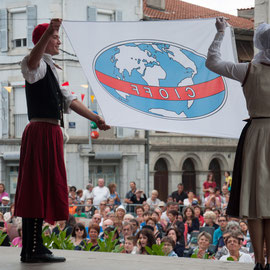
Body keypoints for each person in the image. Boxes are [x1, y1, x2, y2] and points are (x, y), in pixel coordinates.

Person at [14, 18, 110, 263]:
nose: (58, 41)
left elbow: (71, 101)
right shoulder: (36, 65)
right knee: (36, 188)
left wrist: (96, 118)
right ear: (44, 40)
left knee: (43, 188)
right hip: (40, 132)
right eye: (55, 38)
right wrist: (48, 32)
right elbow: (30, 61)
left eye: (56, 37)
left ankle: (35, 246)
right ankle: (31, 248)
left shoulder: (52, 70)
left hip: (50, 133)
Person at [206, 17, 270, 270]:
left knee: (255, 202)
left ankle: (259, 261)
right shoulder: (249, 69)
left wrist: (221, 33)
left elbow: (212, 62)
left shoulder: (248, 70)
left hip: (256, 135)